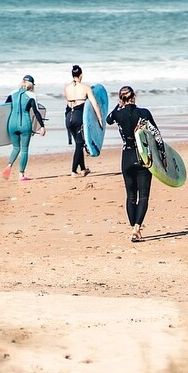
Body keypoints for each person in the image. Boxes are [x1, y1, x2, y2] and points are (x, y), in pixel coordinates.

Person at [106, 85, 156, 242]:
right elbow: (156, 135)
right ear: (134, 96)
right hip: (143, 157)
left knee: (130, 196)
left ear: (121, 99)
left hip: (126, 157)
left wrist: (118, 105)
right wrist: (162, 157)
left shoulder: (118, 115)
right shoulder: (144, 113)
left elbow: (108, 119)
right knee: (144, 196)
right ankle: (136, 228)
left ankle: (132, 228)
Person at [1, 75, 46, 181]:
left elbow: (4, 109)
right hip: (25, 124)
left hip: (12, 124)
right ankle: (21, 174)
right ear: (31, 85)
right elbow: (36, 112)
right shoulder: (31, 95)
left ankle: (9, 165)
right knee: (24, 149)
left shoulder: (12, 93)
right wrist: (42, 126)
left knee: (16, 148)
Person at [63, 64, 104, 177]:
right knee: (80, 144)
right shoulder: (86, 88)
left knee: (78, 143)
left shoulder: (66, 88)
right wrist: (100, 119)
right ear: (81, 75)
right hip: (79, 117)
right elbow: (94, 104)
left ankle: (83, 169)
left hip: (68, 118)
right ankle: (73, 171)